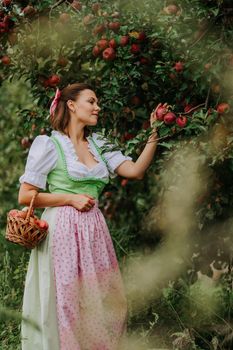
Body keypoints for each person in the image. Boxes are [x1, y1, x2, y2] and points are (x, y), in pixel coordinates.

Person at [18, 82, 159, 350]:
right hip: (62, 231)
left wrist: (154, 133)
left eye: (97, 102)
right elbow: (26, 195)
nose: (98, 107)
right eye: (91, 101)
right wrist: (70, 198)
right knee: (69, 304)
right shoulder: (49, 145)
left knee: (107, 302)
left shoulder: (99, 144)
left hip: (95, 229)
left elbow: (135, 170)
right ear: (71, 105)